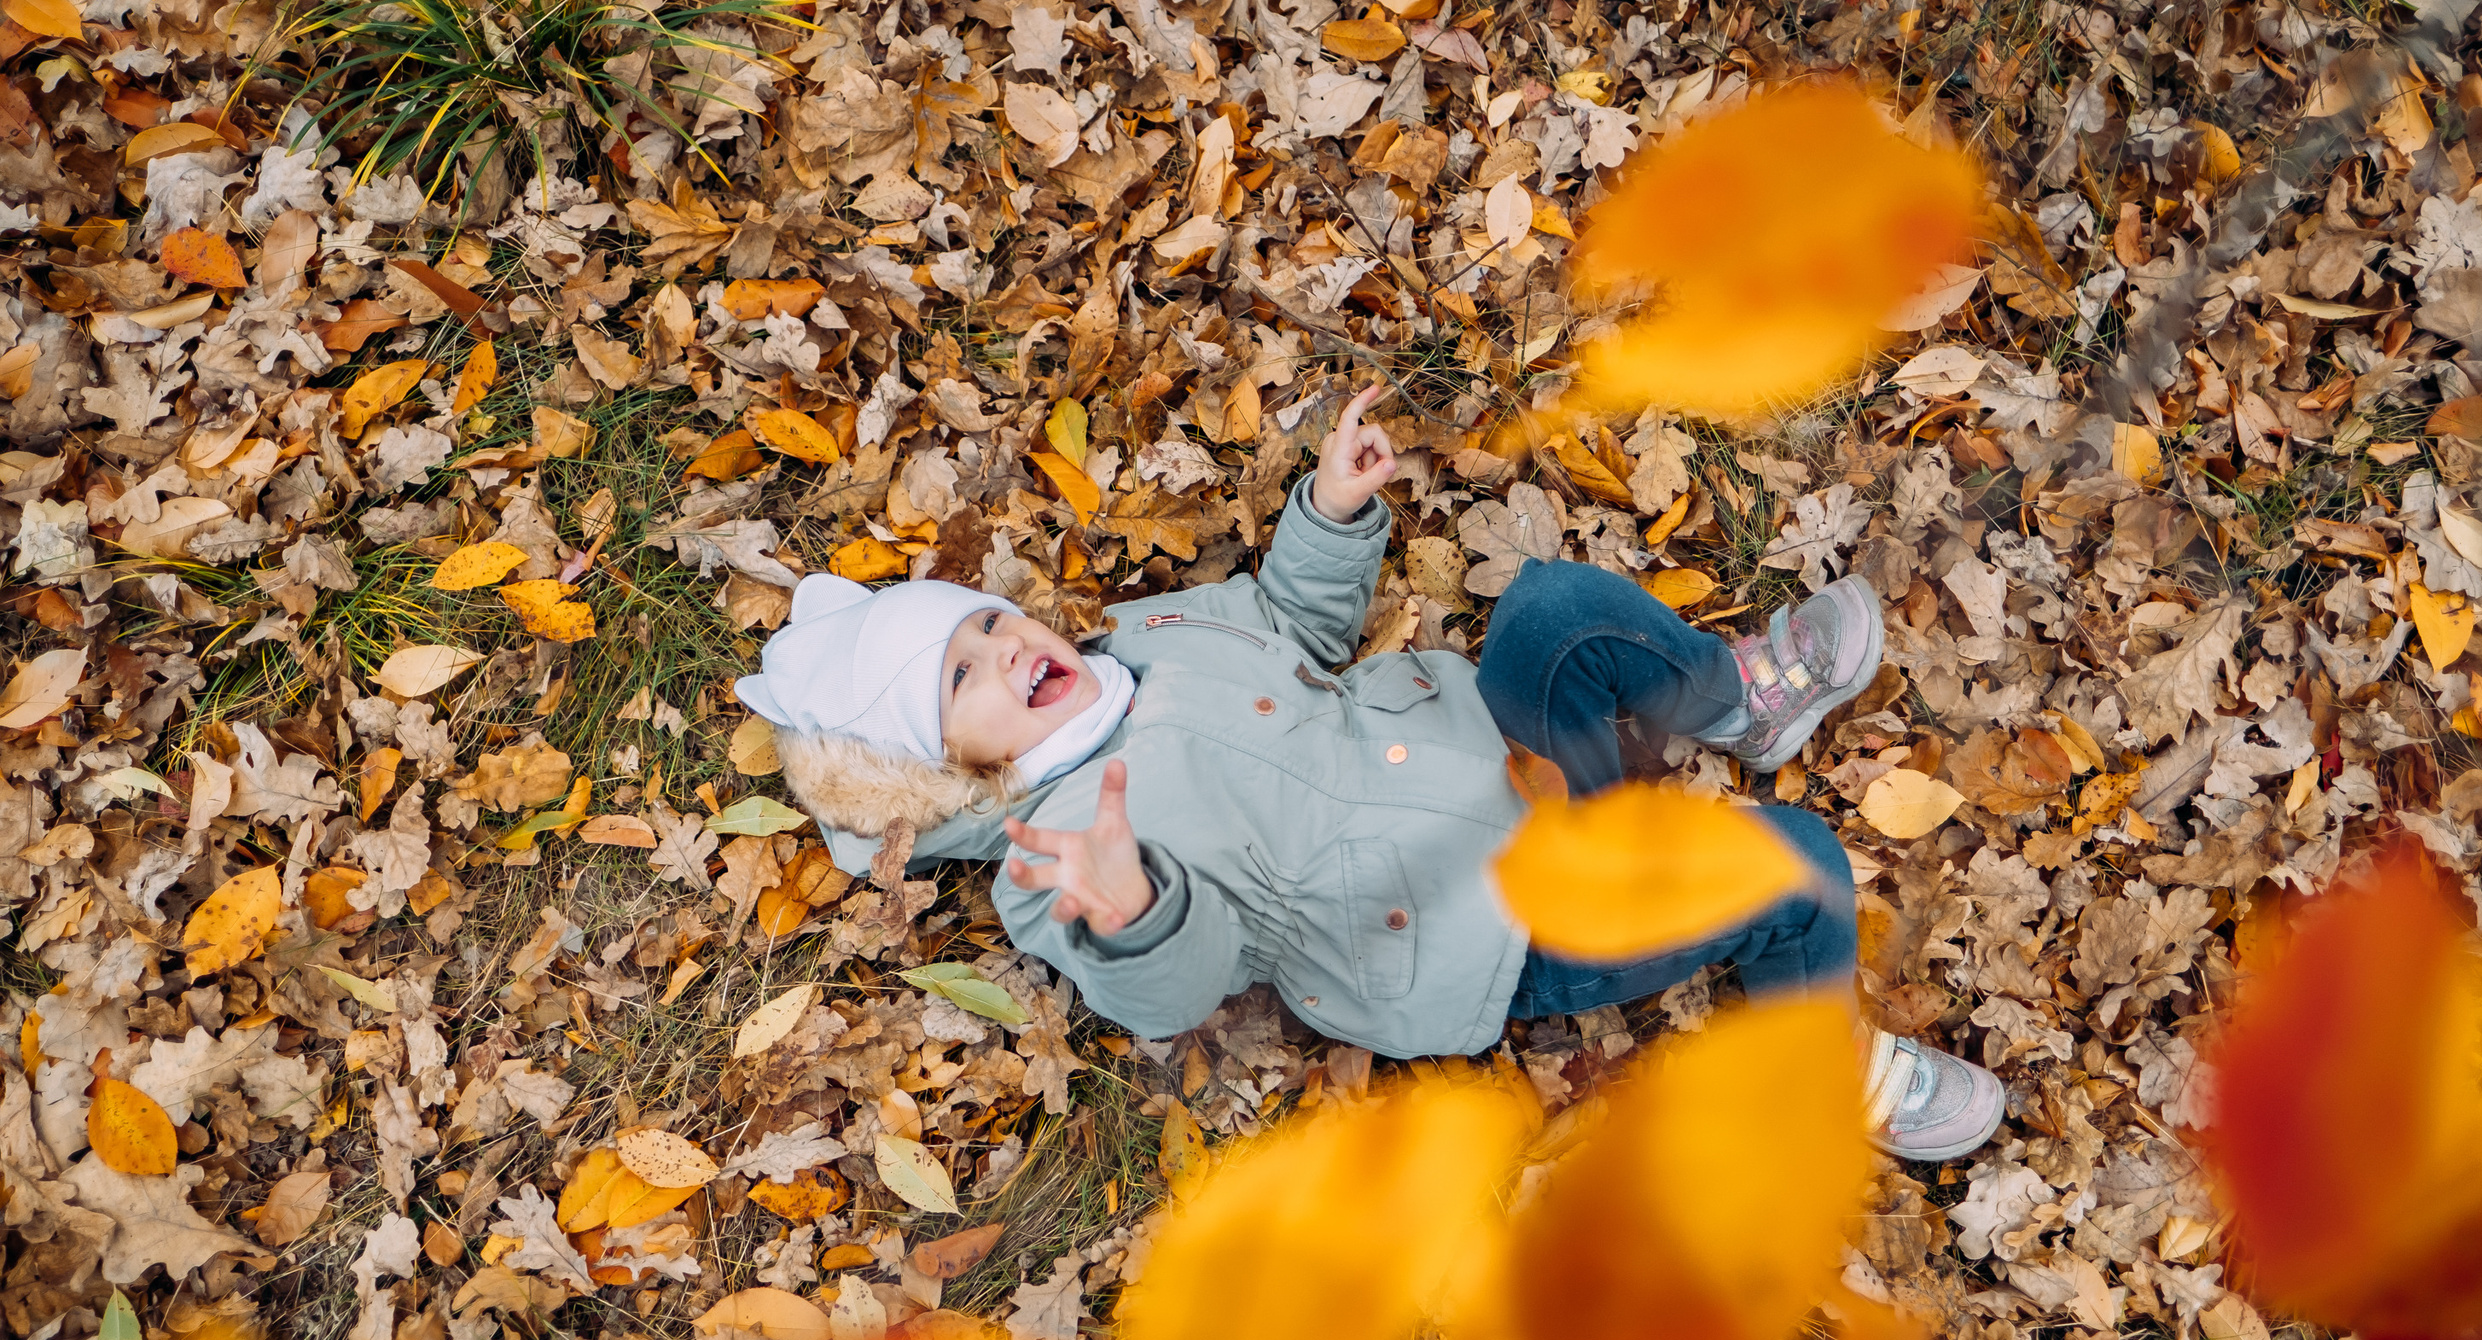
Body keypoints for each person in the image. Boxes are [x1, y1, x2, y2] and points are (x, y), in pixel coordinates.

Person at [735, 387, 2004, 1160]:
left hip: (1497, 759)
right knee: (1795, 867)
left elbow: (1285, 624)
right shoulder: (1054, 853)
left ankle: (1739, 703)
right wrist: (1134, 913)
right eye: (962, 680)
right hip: (1488, 927)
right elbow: (1176, 983)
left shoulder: (1137, 640)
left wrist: (1328, 520)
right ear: (946, 770)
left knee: (1552, 609)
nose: (1006, 649)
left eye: (984, 624)